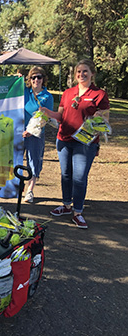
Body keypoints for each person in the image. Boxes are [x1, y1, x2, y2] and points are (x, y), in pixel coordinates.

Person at [43, 59, 110, 229]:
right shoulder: (67, 93)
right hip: (64, 139)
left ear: (92, 73)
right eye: (78, 72)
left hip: (84, 144)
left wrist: (96, 119)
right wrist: (47, 112)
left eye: (85, 71)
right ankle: (66, 206)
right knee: (66, 175)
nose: (81, 74)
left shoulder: (99, 94)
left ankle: (77, 212)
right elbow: (60, 116)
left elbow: (105, 119)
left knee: (79, 178)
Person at [22, 67, 54, 203]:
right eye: (33, 77)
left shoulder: (47, 97)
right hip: (18, 132)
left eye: (39, 77)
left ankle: (30, 190)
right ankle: (15, 187)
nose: (36, 80)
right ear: (29, 79)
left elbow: (46, 118)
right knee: (14, 159)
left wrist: (31, 131)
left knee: (34, 161)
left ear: (43, 79)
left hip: (35, 134)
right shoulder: (23, 92)